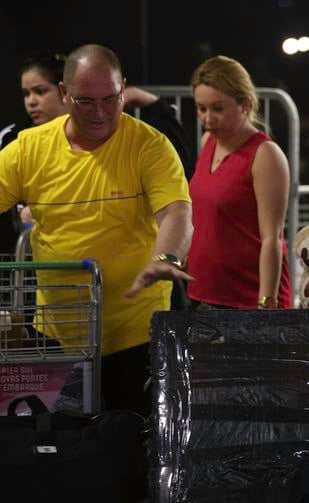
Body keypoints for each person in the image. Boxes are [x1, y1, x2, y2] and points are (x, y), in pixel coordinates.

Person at [0, 44, 193, 416]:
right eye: (85, 101)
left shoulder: (149, 145)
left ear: (124, 90)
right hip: (58, 335)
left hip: (138, 334)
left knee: (137, 448)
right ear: (64, 93)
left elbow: (176, 211)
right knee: (60, 451)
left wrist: (167, 256)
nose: (101, 112)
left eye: (110, 99)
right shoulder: (28, 148)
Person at [186, 55, 292, 310]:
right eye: (201, 108)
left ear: (244, 104)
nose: (208, 118)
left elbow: (272, 238)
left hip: (248, 299)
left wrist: (266, 304)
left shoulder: (265, 154)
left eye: (218, 108)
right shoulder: (207, 142)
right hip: (205, 293)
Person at [1, 52, 68, 254]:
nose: (31, 101)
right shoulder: (12, 138)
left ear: (65, 91)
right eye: (26, 93)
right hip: (25, 256)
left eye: (40, 91)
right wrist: (19, 212)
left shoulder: (92, 136)